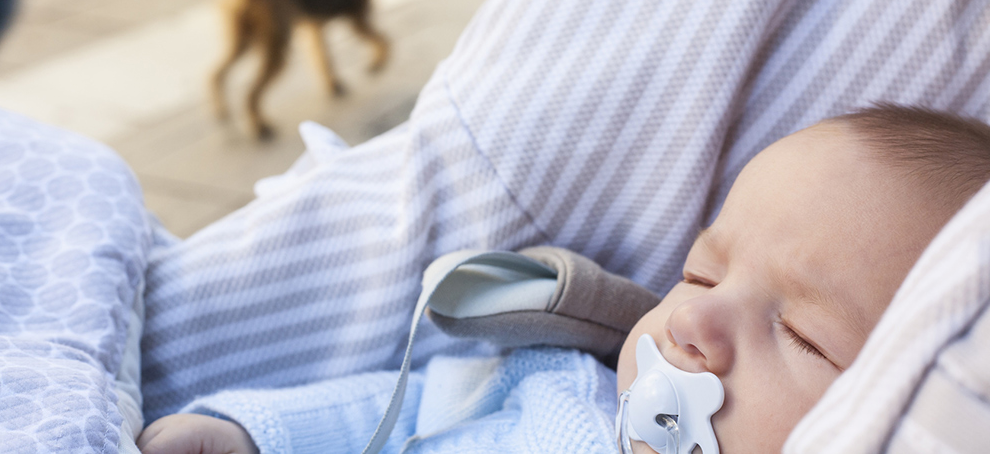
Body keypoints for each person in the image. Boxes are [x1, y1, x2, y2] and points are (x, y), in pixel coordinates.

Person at [134, 104, 990, 454]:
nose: (699, 321)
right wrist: (251, 434)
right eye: (700, 272)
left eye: (804, 335)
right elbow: (387, 419)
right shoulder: (553, 381)